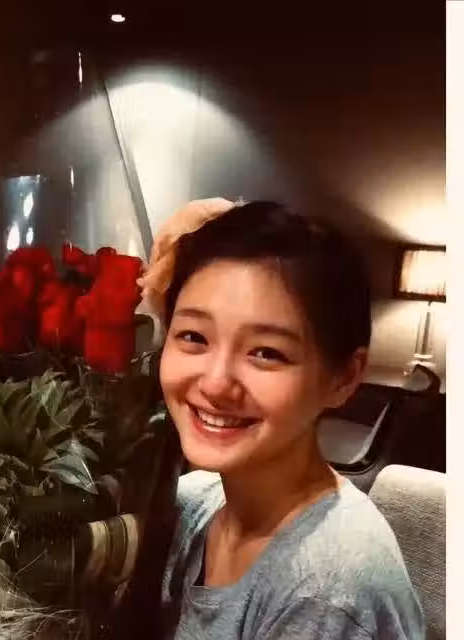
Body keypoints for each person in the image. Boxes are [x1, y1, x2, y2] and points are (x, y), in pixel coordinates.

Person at [140, 199, 424, 639]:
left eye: (266, 353)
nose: (216, 383)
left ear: (344, 377)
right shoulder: (194, 503)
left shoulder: (328, 590)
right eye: (194, 336)